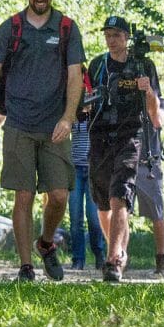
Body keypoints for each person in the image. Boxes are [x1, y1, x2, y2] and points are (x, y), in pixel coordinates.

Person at [0, 0, 85, 281]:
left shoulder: (66, 28)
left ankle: (46, 243)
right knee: (22, 195)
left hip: (55, 125)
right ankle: (26, 266)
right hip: (19, 124)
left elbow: (76, 76)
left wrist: (68, 116)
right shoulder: (11, 28)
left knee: (60, 195)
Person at [86, 16, 162, 282]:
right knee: (104, 204)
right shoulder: (97, 65)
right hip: (99, 136)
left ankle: (113, 260)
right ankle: (119, 250)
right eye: (108, 34)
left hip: (130, 136)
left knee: (120, 195)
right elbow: (83, 102)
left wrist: (148, 91)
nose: (111, 39)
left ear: (127, 37)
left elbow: (157, 117)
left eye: (117, 34)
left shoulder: (142, 65)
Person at [69, 76, 107, 270]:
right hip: (75, 169)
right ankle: (78, 258)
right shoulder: (72, 116)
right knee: (76, 217)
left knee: (94, 218)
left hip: (93, 169)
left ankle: (99, 252)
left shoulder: (97, 116)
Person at [135, 97, 164, 274]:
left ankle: (161, 257)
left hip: (149, 164)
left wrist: (149, 95)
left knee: (157, 211)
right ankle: (118, 255)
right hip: (125, 160)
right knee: (119, 208)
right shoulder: (127, 101)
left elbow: (158, 121)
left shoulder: (160, 102)